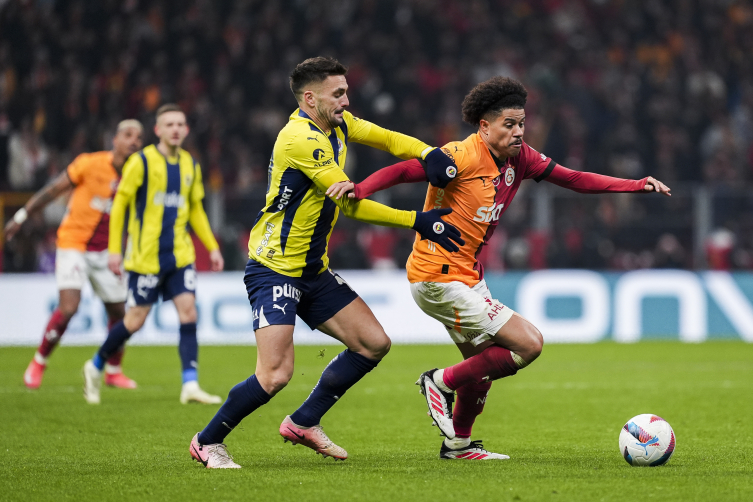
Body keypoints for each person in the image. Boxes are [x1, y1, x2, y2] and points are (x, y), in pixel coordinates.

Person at [326, 76, 671, 460]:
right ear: (485, 126)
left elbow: (573, 179)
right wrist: (359, 189)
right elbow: (406, 170)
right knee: (529, 343)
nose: (519, 131)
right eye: (509, 124)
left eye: (521, 123)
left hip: (467, 277)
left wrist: (634, 185)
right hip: (437, 275)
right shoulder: (461, 155)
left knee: (481, 368)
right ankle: (438, 382)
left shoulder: (521, 158)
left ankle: (458, 445)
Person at [189, 56, 463, 469]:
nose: (346, 101)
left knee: (372, 344)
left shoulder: (338, 124)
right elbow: (350, 204)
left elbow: (388, 139)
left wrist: (428, 152)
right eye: (338, 94)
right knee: (275, 375)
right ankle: (207, 441)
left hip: (313, 270)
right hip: (275, 269)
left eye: (346, 92)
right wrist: (417, 221)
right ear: (310, 98)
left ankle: (304, 421)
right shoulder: (301, 139)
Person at [82, 104, 225, 405]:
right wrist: (115, 250)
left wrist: (212, 247)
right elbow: (120, 205)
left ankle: (190, 384)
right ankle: (95, 365)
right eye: (169, 124)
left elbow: (196, 210)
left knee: (189, 312)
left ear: (186, 130)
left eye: (180, 124)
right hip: (146, 257)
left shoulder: (190, 164)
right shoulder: (141, 162)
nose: (175, 129)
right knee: (134, 321)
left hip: (179, 256)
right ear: (158, 130)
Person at [5, 120, 144, 390]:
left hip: (107, 251)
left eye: (138, 137)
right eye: (128, 135)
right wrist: (21, 216)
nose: (133, 141)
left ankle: (113, 371)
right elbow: (53, 189)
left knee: (119, 312)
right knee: (69, 307)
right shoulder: (89, 164)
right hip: (74, 244)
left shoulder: (138, 174)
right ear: (114, 140)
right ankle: (39, 362)